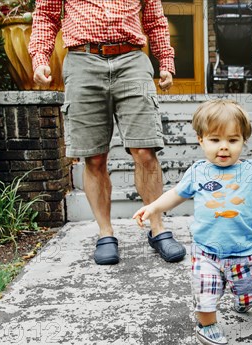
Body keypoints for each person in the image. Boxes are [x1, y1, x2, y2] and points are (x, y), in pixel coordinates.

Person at [133, 100, 252, 345]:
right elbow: (176, 194)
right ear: (201, 140)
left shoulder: (250, 172)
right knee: (206, 293)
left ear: (244, 141)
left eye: (233, 140)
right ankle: (207, 324)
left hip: (245, 251)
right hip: (206, 251)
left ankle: (244, 299)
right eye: (215, 140)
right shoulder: (197, 172)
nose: (224, 147)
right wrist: (153, 207)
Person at [28, 0, 186, 265]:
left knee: (145, 150)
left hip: (132, 59)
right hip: (82, 60)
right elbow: (46, 15)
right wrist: (40, 58)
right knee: (95, 156)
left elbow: (155, 19)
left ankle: (158, 228)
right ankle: (105, 233)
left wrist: (166, 61)